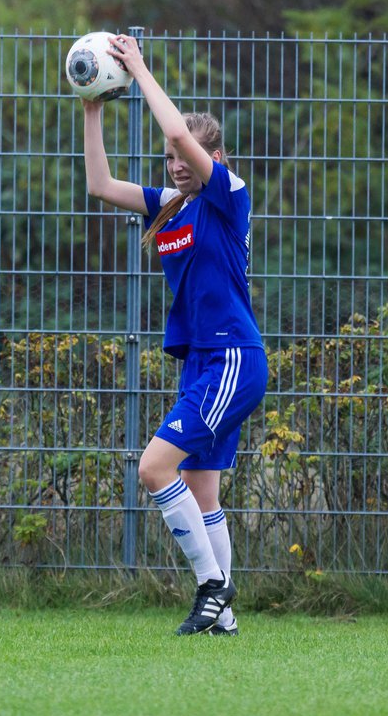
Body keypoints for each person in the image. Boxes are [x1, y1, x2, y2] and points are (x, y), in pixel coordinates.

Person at [81, 33, 267, 636]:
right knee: (200, 490)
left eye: (185, 153)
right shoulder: (169, 205)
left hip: (232, 357)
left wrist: (138, 70)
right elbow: (102, 186)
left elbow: (182, 134)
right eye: (168, 158)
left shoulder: (226, 197)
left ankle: (213, 588)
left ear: (215, 156)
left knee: (154, 469)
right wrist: (94, 107)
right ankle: (225, 617)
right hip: (202, 363)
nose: (177, 161)